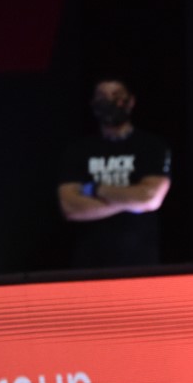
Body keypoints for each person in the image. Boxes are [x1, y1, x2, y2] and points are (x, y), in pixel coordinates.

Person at [57, 77, 172, 268]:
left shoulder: (151, 146)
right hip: (89, 264)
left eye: (116, 95)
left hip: (141, 262)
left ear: (130, 101)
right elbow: (70, 207)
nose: (109, 101)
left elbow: (149, 198)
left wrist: (94, 189)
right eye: (102, 96)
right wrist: (131, 202)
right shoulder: (78, 150)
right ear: (93, 104)